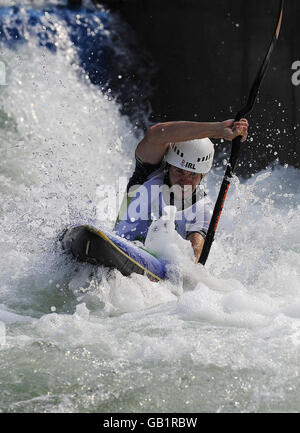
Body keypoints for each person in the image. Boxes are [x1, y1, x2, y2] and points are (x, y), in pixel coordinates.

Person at [114, 118, 249, 262]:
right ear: (169, 166)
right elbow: (155, 134)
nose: (185, 182)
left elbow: (193, 258)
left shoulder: (202, 208)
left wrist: (187, 267)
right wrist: (218, 129)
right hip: (115, 248)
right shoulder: (147, 175)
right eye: (179, 171)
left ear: (202, 175)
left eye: (193, 175)